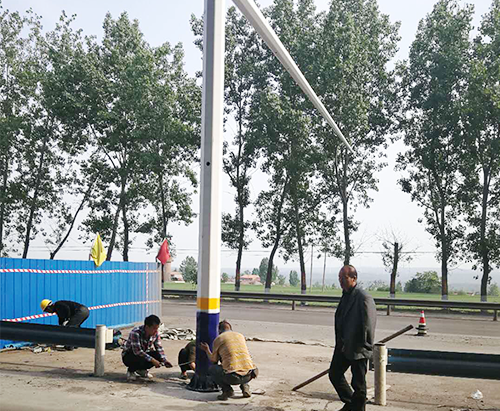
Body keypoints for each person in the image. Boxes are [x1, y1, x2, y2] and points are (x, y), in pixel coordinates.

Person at [329, 265, 377, 411]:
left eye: (344, 278)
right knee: (334, 374)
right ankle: (352, 405)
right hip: (343, 346)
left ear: (354, 278)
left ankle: (356, 408)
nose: (341, 281)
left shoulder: (363, 297)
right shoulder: (345, 295)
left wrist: (366, 346)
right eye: (339, 278)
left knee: (358, 384)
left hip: (358, 348)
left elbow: (369, 324)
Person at [200, 320, 258, 401]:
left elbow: (213, 360)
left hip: (233, 377)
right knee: (242, 363)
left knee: (212, 369)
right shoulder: (240, 336)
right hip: (250, 374)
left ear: (219, 330)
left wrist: (207, 350)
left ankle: (227, 391)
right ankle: (245, 387)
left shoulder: (219, 338)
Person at [122, 314, 173, 381]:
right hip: (130, 355)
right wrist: (153, 360)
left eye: (157, 328)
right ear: (147, 327)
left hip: (143, 354)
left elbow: (159, 347)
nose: (155, 331)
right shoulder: (135, 332)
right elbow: (137, 351)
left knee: (157, 355)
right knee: (139, 357)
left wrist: (164, 360)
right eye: (154, 328)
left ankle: (141, 370)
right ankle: (131, 371)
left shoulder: (155, 333)